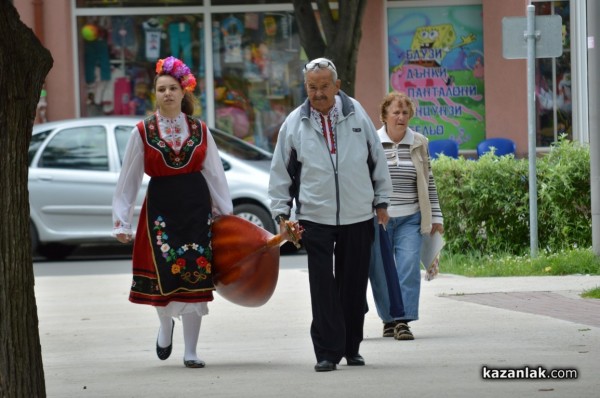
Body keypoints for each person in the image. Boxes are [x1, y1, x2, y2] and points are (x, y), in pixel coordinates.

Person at [268, 57, 392, 372]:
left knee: (352, 286)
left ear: (337, 86)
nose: (319, 93)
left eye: (325, 86)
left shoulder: (356, 115)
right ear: (306, 87)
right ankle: (326, 352)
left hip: (357, 214)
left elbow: (376, 158)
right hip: (314, 216)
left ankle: (352, 347)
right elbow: (280, 171)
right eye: (313, 87)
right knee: (322, 287)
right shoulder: (295, 122)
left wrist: (382, 202)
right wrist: (282, 212)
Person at [112, 56, 232, 368]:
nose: (167, 93)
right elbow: (129, 177)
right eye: (161, 89)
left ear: (183, 92)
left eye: (172, 88)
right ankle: (165, 325)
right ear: (156, 94)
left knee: (195, 274)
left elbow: (215, 173)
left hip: (195, 209)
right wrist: (121, 219)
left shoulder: (200, 129)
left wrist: (224, 213)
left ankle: (191, 351)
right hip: (160, 211)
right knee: (165, 273)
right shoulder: (142, 131)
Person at [368, 91, 444, 341]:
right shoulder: (372, 142)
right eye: (396, 113)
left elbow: (428, 182)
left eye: (405, 112)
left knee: (408, 268)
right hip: (380, 219)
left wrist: (436, 217)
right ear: (384, 116)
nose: (401, 117)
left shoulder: (419, 142)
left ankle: (403, 320)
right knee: (380, 272)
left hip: (411, 217)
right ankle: (388, 319)